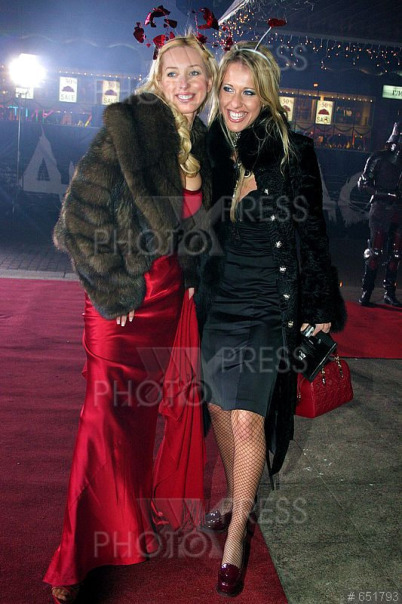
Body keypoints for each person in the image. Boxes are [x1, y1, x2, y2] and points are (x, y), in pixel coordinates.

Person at [44, 34, 217, 603]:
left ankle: (125, 530)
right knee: (103, 421)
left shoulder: (205, 141)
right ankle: (74, 558)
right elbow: (77, 220)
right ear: (157, 79)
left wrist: (193, 278)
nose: (185, 83)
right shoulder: (130, 127)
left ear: (209, 80)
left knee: (138, 423)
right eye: (173, 73)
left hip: (168, 302)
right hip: (121, 301)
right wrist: (115, 289)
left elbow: (196, 231)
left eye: (195, 73)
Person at [198, 41, 346, 597]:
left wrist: (320, 306)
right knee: (218, 407)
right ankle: (236, 490)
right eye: (228, 89)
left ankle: (238, 531)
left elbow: (313, 231)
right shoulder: (209, 149)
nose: (236, 102)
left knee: (247, 417)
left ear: (267, 97)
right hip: (220, 300)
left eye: (249, 91)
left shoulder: (292, 151)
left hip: (269, 302)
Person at [357, 121, 402, 307]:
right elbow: (363, 184)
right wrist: (385, 194)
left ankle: (389, 292)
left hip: (399, 210)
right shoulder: (378, 158)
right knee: (375, 252)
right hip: (381, 208)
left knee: (396, 254)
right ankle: (366, 291)